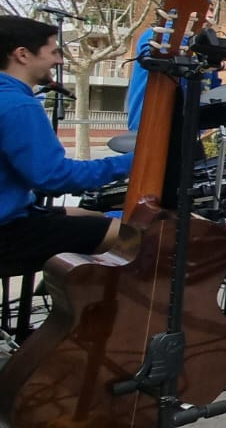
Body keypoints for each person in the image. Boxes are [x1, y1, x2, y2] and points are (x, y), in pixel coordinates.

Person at [0, 16, 134, 274]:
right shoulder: (18, 105)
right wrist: (134, 161)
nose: (60, 61)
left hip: (15, 213)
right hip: (7, 232)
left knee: (93, 217)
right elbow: (53, 177)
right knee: (135, 238)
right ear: (22, 54)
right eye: (53, 52)